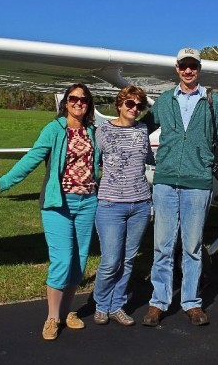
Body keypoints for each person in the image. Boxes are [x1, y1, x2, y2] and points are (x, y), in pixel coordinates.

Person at [0, 83, 100, 341]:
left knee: (79, 262)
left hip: (88, 202)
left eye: (83, 100)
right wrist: (4, 182)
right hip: (58, 203)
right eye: (73, 99)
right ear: (66, 103)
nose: (78, 103)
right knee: (61, 260)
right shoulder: (54, 129)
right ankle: (52, 317)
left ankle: (68, 312)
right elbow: (32, 158)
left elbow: (102, 163)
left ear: (89, 104)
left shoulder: (93, 131)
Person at [140, 48, 218, 327]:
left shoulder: (212, 100)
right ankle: (158, 302)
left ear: (199, 69)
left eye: (193, 66)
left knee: (191, 246)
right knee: (163, 246)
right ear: (177, 68)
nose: (188, 71)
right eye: (183, 66)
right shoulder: (165, 100)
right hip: (165, 180)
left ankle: (191, 302)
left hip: (198, 181)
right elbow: (142, 128)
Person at [92, 85, 154, 327]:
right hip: (110, 204)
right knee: (110, 260)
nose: (135, 109)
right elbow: (91, 162)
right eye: (130, 104)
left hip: (139, 203)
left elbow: (150, 158)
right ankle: (101, 304)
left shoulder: (142, 130)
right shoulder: (103, 130)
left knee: (128, 260)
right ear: (119, 105)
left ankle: (117, 305)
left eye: (139, 106)